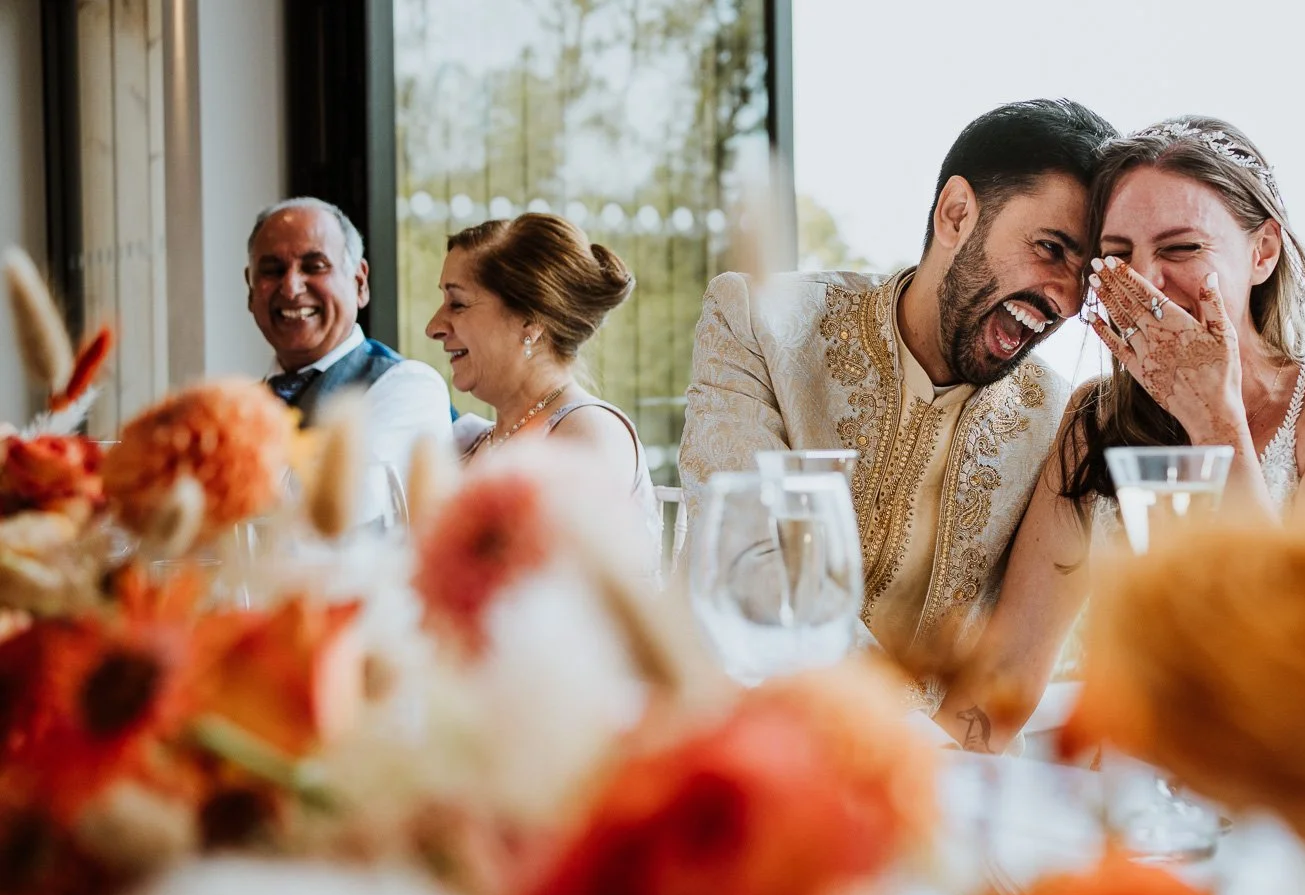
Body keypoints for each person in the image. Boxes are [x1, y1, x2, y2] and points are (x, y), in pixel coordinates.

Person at [941, 116, 1305, 751]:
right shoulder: (1095, 425)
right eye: (1117, 256)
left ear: (1263, 253)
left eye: (1181, 249)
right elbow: (1004, 678)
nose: (1145, 282)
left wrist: (1212, 418)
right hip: (1138, 799)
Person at [678, 99, 1117, 711]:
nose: (1067, 302)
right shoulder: (760, 323)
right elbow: (750, 575)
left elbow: (1008, 677)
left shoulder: (1057, 423)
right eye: (1050, 249)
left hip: (942, 784)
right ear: (957, 214)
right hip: (741, 750)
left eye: (1087, 277)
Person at [424, 213, 660, 557]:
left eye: (457, 304)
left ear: (530, 322)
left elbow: (565, 597)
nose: (434, 327)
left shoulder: (588, 438)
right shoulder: (469, 443)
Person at [246, 197, 454, 478]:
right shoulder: (243, 407)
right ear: (250, 289)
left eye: (314, 266)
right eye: (272, 271)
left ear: (359, 283)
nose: (291, 288)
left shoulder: (409, 387)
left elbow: (340, 508)